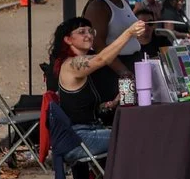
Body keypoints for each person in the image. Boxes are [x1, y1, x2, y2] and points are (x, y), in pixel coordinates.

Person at [47, 14, 143, 159]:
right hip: (79, 138)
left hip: (90, 132)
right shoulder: (71, 65)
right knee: (136, 136)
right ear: (68, 39)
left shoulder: (83, 64)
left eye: (91, 31)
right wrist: (129, 33)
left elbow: (82, 110)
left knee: (135, 131)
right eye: (81, 32)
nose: (88, 35)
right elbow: (102, 58)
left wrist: (111, 104)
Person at [82, 0, 144, 67]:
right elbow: (98, 46)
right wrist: (122, 70)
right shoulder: (99, 7)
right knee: (126, 84)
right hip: (114, 68)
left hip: (133, 61)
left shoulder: (124, 2)